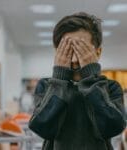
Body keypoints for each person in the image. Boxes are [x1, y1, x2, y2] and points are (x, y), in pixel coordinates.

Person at [28, 12, 126, 150]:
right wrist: (59, 78)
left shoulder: (111, 87)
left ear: (97, 52)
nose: (74, 60)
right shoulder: (46, 86)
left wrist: (91, 77)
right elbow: (43, 128)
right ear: (57, 52)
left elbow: (112, 128)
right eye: (68, 50)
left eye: (80, 50)